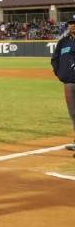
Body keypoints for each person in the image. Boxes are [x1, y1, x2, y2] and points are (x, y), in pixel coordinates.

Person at [50, 15, 75, 154]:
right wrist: (60, 73)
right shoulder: (63, 42)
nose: (73, 25)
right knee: (73, 113)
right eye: (71, 23)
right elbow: (55, 59)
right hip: (69, 83)